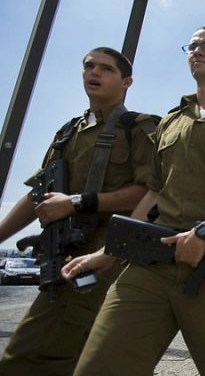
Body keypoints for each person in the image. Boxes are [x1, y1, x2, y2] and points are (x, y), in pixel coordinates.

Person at [61, 26, 205, 375]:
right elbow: (154, 193)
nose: (197, 50)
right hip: (152, 264)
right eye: (192, 46)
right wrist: (110, 252)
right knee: (100, 363)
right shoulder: (170, 122)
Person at [0, 47, 156, 375]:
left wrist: (76, 202)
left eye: (105, 69)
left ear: (126, 81)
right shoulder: (67, 132)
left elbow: (150, 190)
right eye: (89, 66)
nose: (93, 73)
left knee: (35, 354)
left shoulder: (137, 129)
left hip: (106, 255)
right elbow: (38, 194)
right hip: (64, 254)